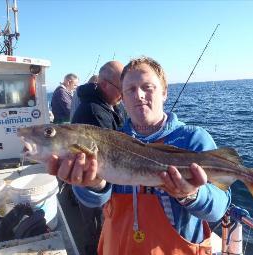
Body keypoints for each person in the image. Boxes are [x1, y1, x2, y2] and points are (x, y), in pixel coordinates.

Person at [48, 57, 231, 255]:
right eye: (130, 90)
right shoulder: (113, 140)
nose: (139, 95)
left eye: (147, 87)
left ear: (164, 93)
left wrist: (191, 195)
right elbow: (96, 202)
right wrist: (92, 185)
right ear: (122, 98)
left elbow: (218, 209)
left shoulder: (194, 139)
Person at [71, 61, 126, 255]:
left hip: (105, 182)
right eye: (122, 89)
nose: (125, 94)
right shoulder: (93, 111)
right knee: (96, 231)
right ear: (104, 85)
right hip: (93, 185)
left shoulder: (109, 105)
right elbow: (112, 151)